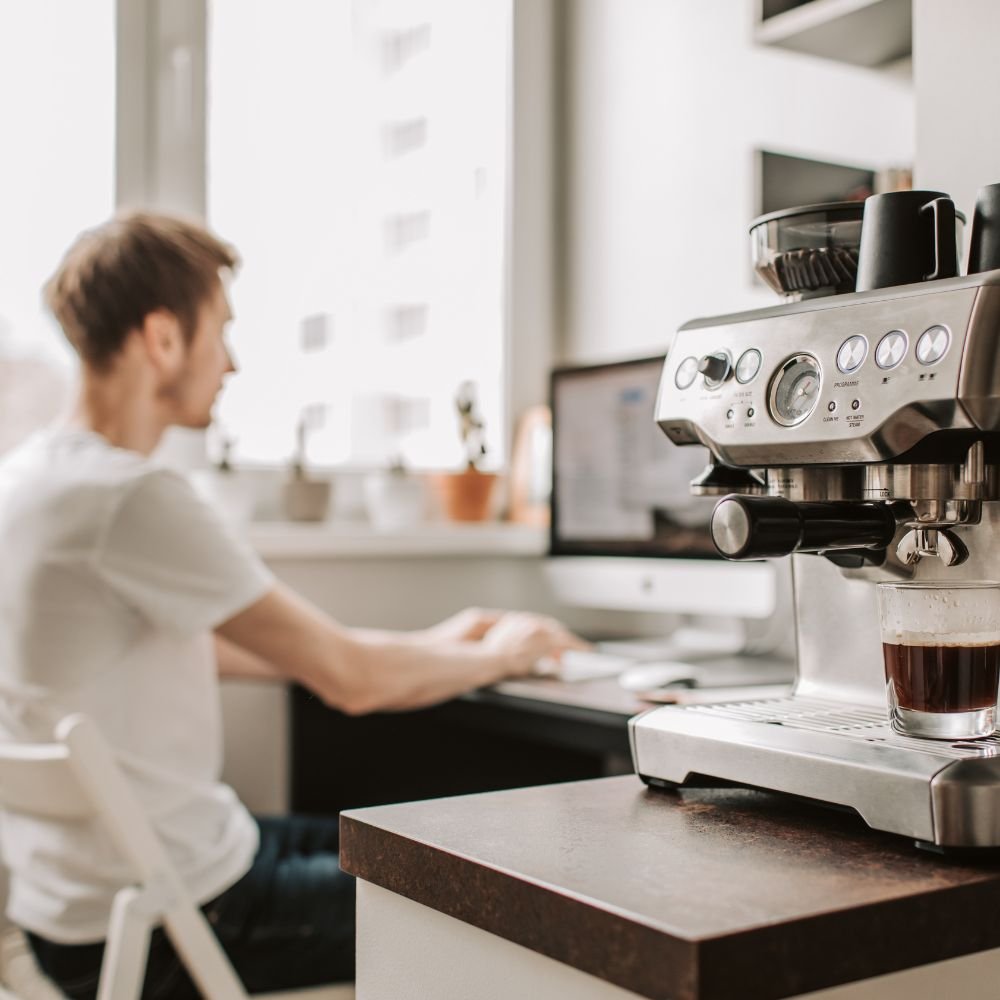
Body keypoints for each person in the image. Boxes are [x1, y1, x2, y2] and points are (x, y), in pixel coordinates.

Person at [0, 211, 585, 999]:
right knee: (497, 901)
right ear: (164, 338)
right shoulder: (129, 497)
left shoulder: (30, 480)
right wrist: (508, 654)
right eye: (223, 331)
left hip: (79, 904)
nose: (232, 362)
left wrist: (439, 641)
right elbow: (352, 681)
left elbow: (227, 649)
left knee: (402, 841)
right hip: (173, 918)